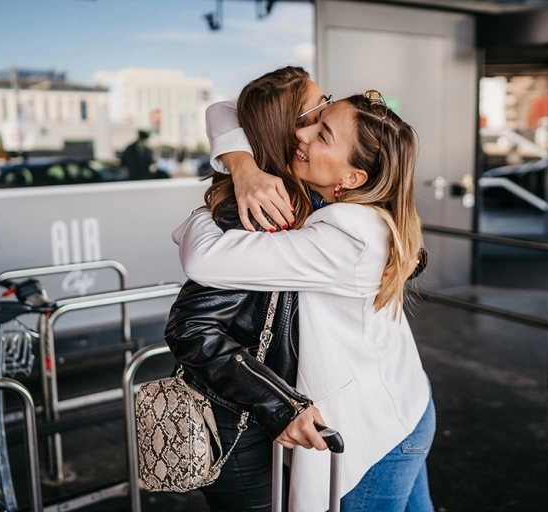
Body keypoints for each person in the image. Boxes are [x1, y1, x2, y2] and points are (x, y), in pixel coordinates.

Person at [174, 92, 435, 511]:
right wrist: (243, 168)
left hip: (377, 433)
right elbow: (223, 109)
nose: (302, 133)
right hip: (405, 404)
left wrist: (206, 211)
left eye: (322, 134)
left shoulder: (344, 235)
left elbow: (202, 258)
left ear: (352, 178)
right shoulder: (365, 212)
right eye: (314, 119)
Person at [165, 66, 336, 512]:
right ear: (293, 133)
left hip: (265, 414)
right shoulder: (259, 207)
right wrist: (279, 404)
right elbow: (192, 328)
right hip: (239, 424)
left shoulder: (309, 194)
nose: (330, 110)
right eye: (320, 107)